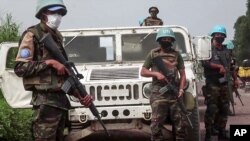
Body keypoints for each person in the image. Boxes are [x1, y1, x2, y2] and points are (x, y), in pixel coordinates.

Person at [14, 0, 92, 140]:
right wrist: (50, 63)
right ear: (43, 14)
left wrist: (78, 94)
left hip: (60, 102)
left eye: (60, 13)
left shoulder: (56, 37)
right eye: (54, 12)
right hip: (45, 103)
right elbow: (20, 68)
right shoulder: (32, 35)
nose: (58, 16)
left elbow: (61, 76)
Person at [141, 27, 187, 141]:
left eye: (169, 39)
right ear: (159, 40)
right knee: (156, 126)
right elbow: (143, 71)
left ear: (172, 41)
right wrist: (156, 74)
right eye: (164, 38)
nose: (166, 40)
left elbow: (183, 75)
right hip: (158, 93)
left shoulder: (177, 55)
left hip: (174, 93)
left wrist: (181, 90)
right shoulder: (153, 54)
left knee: (181, 125)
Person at [202, 25, 239, 141]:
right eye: (217, 34)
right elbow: (205, 63)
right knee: (212, 108)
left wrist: (235, 79)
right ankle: (208, 132)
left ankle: (221, 131)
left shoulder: (226, 50)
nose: (220, 37)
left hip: (225, 83)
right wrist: (218, 67)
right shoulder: (207, 50)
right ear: (213, 36)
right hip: (212, 83)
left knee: (224, 108)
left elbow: (231, 66)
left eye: (222, 35)